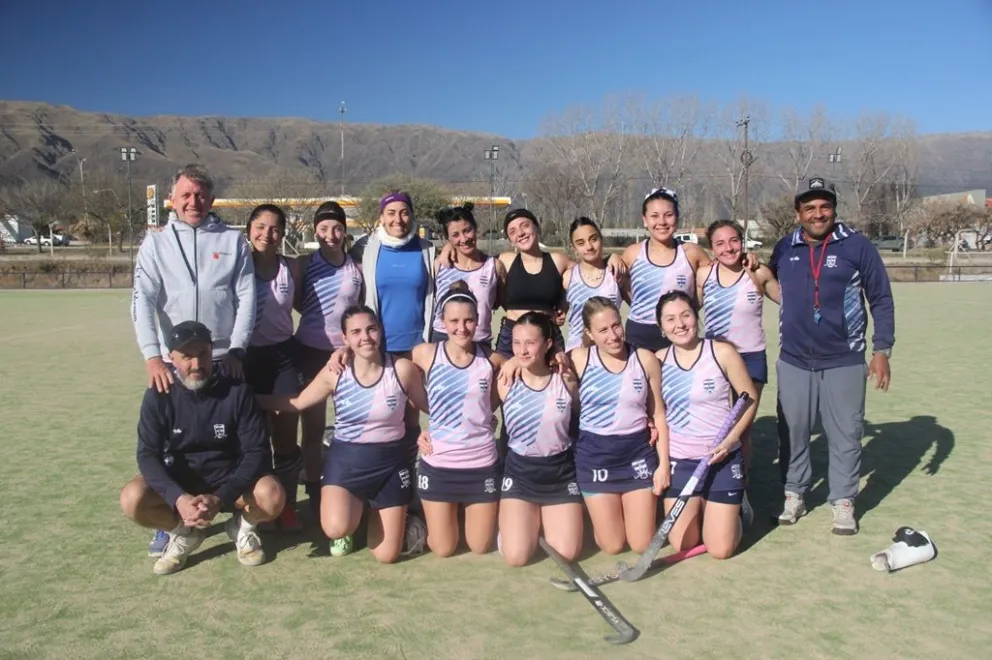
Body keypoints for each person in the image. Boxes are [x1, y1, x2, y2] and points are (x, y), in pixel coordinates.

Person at [131, 163, 256, 557]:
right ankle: (174, 522)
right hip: (177, 364)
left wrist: (236, 349)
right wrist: (153, 357)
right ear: (172, 199)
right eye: (185, 195)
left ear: (212, 199)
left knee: (235, 447)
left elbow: (248, 298)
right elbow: (142, 301)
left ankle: (241, 515)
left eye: (200, 195)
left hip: (224, 360)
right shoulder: (155, 243)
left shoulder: (233, 241)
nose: (193, 202)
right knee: (173, 445)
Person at [770, 177, 895, 536]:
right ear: (798, 213)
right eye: (809, 208)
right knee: (793, 431)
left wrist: (881, 351)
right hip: (794, 359)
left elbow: (881, 299)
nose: (817, 213)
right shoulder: (784, 248)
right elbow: (769, 280)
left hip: (845, 358)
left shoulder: (857, 247)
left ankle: (843, 500)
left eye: (824, 206)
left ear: (834, 210)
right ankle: (795, 493)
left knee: (846, 433)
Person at [257, 306, 428, 563]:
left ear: (380, 331)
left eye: (371, 329)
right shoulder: (336, 372)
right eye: (356, 332)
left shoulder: (402, 369)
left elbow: (432, 407)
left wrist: (434, 431)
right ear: (345, 339)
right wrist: (249, 399)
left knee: (386, 556)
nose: (366, 337)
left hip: (391, 462)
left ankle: (380, 510)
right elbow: (299, 401)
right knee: (336, 528)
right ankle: (352, 516)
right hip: (347, 459)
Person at [119, 321, 285, 575]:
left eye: (203, 354)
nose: (197, 364)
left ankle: (242, 527)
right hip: (182, 484)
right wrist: (178, 498)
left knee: (272, 495)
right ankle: (184, 533)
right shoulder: (158, 395)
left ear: (212, 352)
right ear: (171, 358)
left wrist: (220, 497)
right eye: (187, 356)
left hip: (230, 484)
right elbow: (147, 455)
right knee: (132, 498)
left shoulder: (237, 391)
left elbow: (256, 452)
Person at [655, 291, 758, 559]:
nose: (679, 324)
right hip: (682, 460)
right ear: (662, 328)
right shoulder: (657, 360)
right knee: (683, 543)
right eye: (670, 319)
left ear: (696, 317)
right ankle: (703, 505)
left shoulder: (721, 352)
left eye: (685, 315)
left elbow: (750, 398)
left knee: (720, 550)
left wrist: (731, 439)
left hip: (721, 458)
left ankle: (737, 508)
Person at [569, 297, 668, 554]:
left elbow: (658, 414)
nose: (613, 335)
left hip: (636, 456)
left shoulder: (644, 359)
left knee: (641, 545)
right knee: (612, 546)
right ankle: (593, 518)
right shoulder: (578, 359)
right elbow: (538, 366)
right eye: (602, 330)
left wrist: (664, 465)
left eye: (616, 326)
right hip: (595, 458)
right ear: (589, 333)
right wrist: (511, 362)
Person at [696, 219, 780, 524]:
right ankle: (708, 488)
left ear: (743, 243)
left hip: (751, 359)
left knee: (740, 431)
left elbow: (790, 302)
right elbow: (685, 309)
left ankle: (739, 492)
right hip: (715, 361)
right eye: (720, 243)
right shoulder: (704, 275)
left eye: (734, 241)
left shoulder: (757, 273)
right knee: (715, 426)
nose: (729, 248)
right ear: (711, 249)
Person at [414, 283, 502, 556]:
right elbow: (397, 382)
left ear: (478, 321)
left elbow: (500, 396)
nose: (461, 328)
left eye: (468, 320)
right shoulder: (425, 353)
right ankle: (422, 519)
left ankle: (464, 515)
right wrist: (418, 430)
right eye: (453, 321)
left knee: (480, 546)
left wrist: (484, 417)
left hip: (481, 464)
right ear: (442, 322)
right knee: (444, 549)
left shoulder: (494, 360)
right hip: (439, 463)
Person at [622, 187, 757, 352]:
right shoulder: (632, 253)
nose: (662, 222)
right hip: (639, 335)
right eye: (654, 216)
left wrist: (746, 257)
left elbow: (720, 271)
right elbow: (622, 286)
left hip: (681, 333)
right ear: (644, 220)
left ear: (677, 219)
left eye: (669, 215)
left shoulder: (693, 253)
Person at [497, 312, 583, 566]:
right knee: (516, 557)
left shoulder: (565, 378)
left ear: (547, 344)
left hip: (560, 474)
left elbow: (584, 418)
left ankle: (540, 521)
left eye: (530, 343)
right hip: (520, 474)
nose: (522, 350)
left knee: (566, 554)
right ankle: (516, 527)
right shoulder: (505, 380)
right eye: (516, 343)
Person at [294, 201, 364, 515]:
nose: (330, 234)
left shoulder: (356, 266)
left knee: (351, 424)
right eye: (323, 229)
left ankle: (349, 484)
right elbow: (296, 301)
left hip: (348, 355)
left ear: (345, 231)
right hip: (309, 353)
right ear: (315, 231)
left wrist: (346, 343)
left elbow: (359, 309)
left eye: (336, 228)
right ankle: (313, 487)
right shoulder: (305, 264)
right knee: (312, 428)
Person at [245, 203, 305, 532]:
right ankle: (258, 507)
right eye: (260, 227)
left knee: (284, 436)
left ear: (283, 234)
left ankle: (288, 506)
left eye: (274, 228)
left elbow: (305, 307)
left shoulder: (291, 269)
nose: (267, 234)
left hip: (284, 356)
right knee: (254, 436)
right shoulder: (237, 267)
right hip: (247, 358)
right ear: (249, 230)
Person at [349, 191, 437, 356]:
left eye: (404, 213)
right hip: (377, 346)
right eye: (391, 213)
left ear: (412, 216)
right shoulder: (364, 250)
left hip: (419, 346)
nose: (398, 219)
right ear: (381, 218)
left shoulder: (428, 250)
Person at [431, 202, 503, 350]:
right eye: (455, 235)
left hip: (479, 341)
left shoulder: (494, 266)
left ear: (476, 229)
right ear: (448, 239)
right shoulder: (439, 265)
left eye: (467, 230)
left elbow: (501, 302)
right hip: (442, 340)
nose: (464, 239)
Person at [563, 217, 625, 352]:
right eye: (581, 243)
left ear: (601, 239)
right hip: (577, 354)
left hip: (611, 351)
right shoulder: (568, 277)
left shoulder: (616, 273)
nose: (589, 247)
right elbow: (558, 314)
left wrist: (614, 255)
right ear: (573, 248)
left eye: (593, 239)